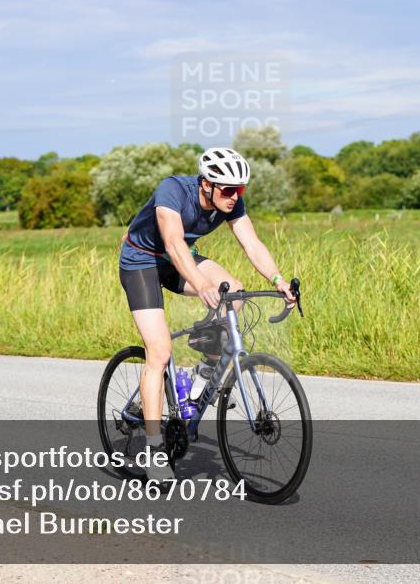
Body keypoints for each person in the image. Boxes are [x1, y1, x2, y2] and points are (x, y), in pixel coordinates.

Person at [118, 147, 296, 482]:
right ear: (206, 185)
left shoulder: (231, 202)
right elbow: (172, 242)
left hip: (178, 261)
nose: (234, 196)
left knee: (235, 293)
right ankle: (154, 450)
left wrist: (278, 280)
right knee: (159, 351)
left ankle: (200, 379)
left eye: (240, 189)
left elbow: (252, 244)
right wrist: (199, 284)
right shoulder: (172, 190)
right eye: (228, 190)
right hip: (142, 261)